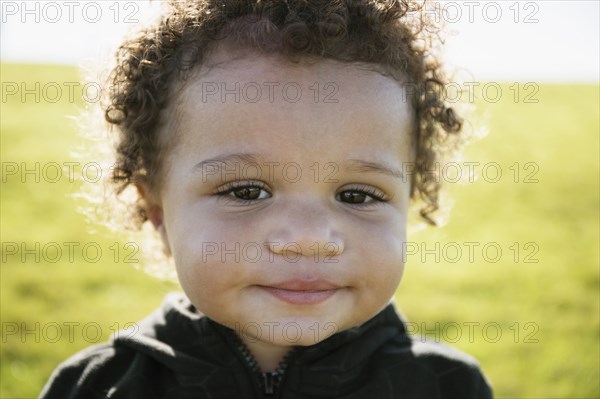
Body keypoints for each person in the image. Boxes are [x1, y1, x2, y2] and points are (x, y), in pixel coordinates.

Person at [40, 0, 493, 397]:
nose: (309, 239)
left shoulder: (445, 386)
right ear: (157, 212)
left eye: (357, 195)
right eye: (246, 191)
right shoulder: (98, 386)